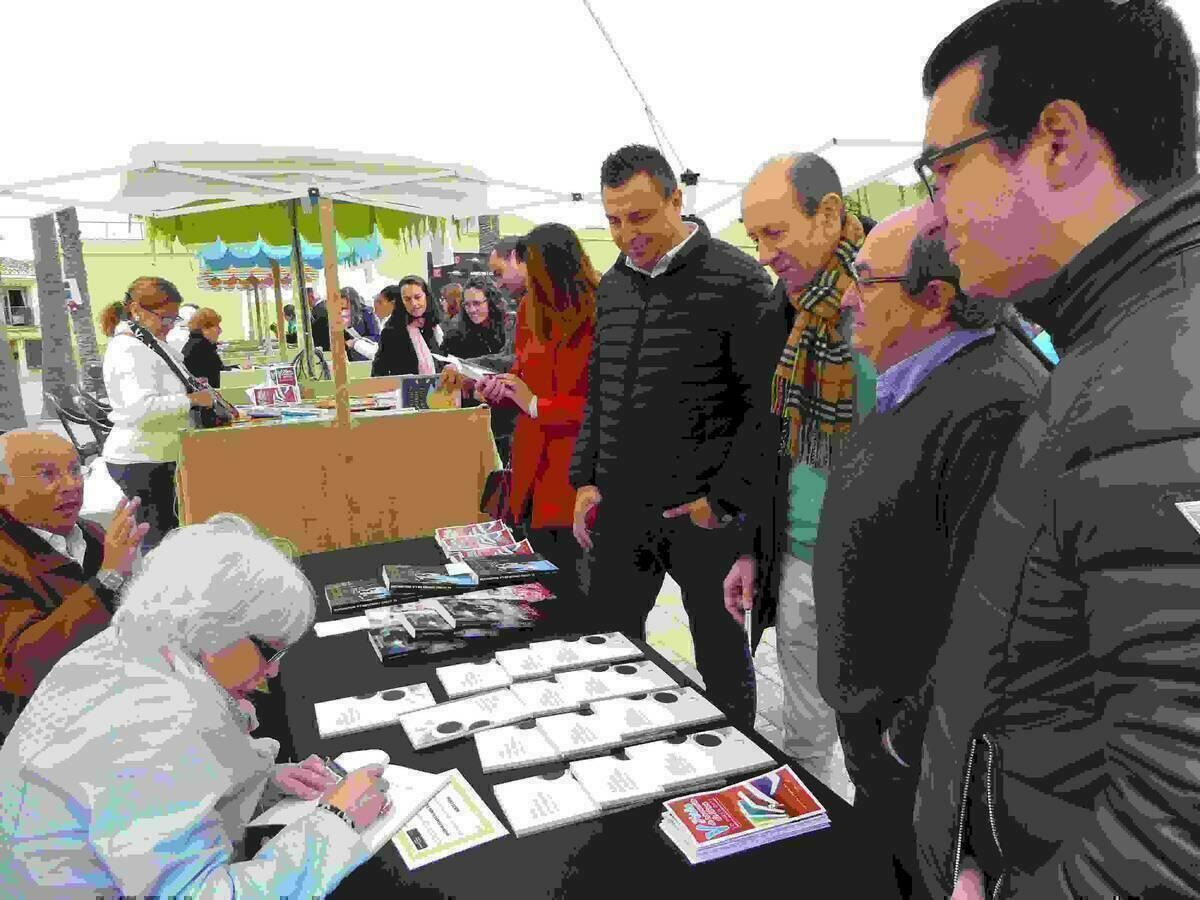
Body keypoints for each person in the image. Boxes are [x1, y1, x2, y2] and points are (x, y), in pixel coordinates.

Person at [894, 2, 1200, 897]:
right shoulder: (1116, 344)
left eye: (944, 168)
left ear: (1059, 139)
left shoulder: (1162, 384)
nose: (933, 212)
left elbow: (1180, 824)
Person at [812, 208, 1049, 897]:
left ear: (936, 299)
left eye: (865, 278)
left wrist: (903, 738)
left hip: (919, 755)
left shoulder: (994, 405)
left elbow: (992, 617)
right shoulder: (925, 374)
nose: (848, 297)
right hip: (883, 735)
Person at [0, 514, 390, 896]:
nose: (272, 673)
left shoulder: (127, 646)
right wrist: (336, 823)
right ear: (214, 629)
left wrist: (257, 785)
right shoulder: (156, 721)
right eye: (269, 652)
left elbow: (157, 797)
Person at [568, 145, 778, 727]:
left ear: (675, 200)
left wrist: (725, 500)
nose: (625, 234)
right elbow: (601, 391)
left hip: (700, 513)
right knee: (609, 645)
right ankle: (618, 746)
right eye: (613, 220)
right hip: (621, 506)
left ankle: (739, 767)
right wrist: (585, 478)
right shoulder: (612, 286)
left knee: (722, 657)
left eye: (638, 218)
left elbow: (762, 408)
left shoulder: (737, 279)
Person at [734, 153, 878, 799]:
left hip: (881, 567)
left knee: (884, 750)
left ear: (827, 214)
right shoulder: (782, 313)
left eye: (773, 232)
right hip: (796, 558)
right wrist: (752, 548)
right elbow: (770, 441)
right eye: (753, 236)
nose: (763, 253)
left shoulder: (899, 298)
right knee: (802, 736)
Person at [474, 223, 596, 606]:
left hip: (574, 478)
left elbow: (603, 405)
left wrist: (534, 404)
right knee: (540, 593)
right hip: (531, 475)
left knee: (581, 597)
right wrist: (502, 388)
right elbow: (526, 373)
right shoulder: (529, 309)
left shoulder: (599, 310)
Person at [0, 430, 147, 743]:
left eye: (75, 470)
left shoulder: (91, 535)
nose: (70, 485)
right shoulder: (7, 558)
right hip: (40, 733)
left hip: (113, 699)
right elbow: (23, 667)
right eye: (47, 475)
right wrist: (107, 579)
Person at [100, 277, 217, 552]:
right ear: (137, 310)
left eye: (174, 319)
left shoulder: (146, 342)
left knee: (166, 537)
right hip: (143, 458)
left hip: (155, 454)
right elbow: (139, 408)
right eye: (164, 318)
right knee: (159, 543)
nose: (168, 326)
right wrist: (190, 400)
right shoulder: (128, 348)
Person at [371, 276, 445, 377]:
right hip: (408, 391)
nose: (413, 303)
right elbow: (378, 372)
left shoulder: (437, 328)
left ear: (426, 297)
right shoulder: (392, 333)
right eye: (407, 299)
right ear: (401, 302)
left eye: (417, 297)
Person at [442, 275, 507, 360]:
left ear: (491, 302)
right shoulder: (455, 335)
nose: (472, 310)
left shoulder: (507, 328)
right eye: (467, 305)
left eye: (477, 303)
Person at [181, 307, 239, 389]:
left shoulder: (197, 344)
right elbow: (216, 378)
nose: (220, 331)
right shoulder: (201, 348)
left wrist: (238, 368)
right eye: (217, 326)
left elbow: (217, 370)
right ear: (205, 328)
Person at [307, 287, 331, 352]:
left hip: (324, 347)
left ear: (311, 296)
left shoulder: (320, 310)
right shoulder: (323, 306)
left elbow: (316, 330)